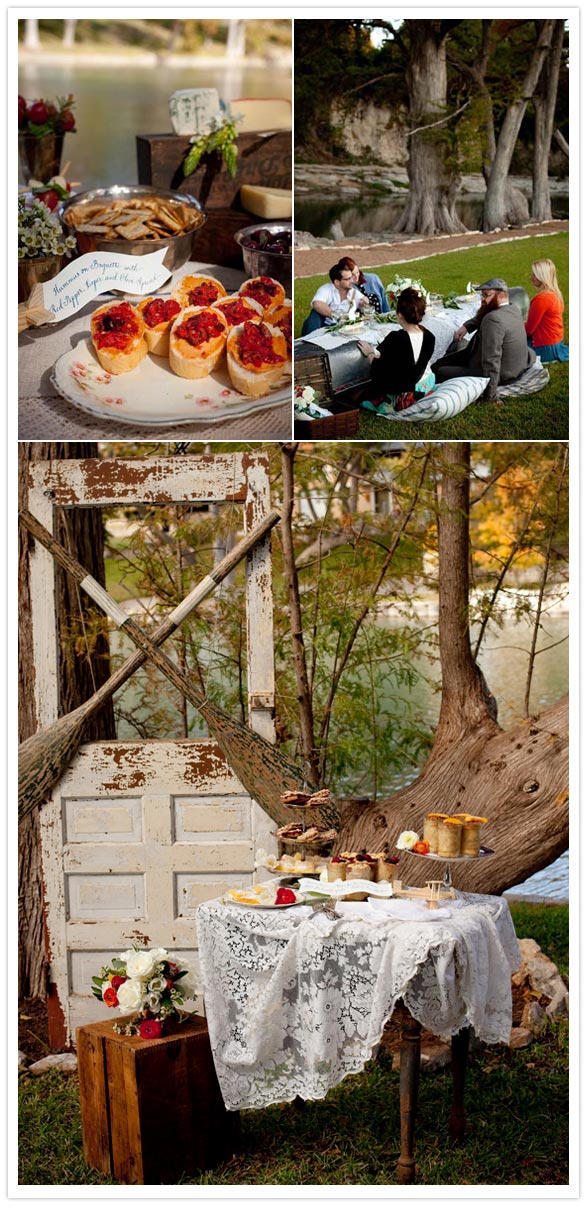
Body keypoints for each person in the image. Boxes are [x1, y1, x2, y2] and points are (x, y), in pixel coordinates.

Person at [432, 277, 536, 401]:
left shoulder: (492, 319)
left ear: (500, 295)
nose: (482, 299)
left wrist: (490, 396)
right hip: (515, 368)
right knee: (448, 358)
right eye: (482, 295)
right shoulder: (512, 309)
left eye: (486, 295)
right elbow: (485, 314)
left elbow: (491, 359)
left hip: (498, 374)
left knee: (439, 369)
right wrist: (467, 326)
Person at [357, 287, 435, 404]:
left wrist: (370, 353)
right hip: (426, 384)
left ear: (399, 315)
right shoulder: (429, 336)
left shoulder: (396, 338)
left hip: (402, 395)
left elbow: (380, 371)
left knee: (358, 397)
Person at [301, 263, 368, 335]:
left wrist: (364, 304)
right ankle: (311, 338)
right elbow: (317, 304)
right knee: (315, 313)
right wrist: (337, 316)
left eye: (351, 277)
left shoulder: (354, 293)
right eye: (348, 279)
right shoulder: (327, 289)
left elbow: (367, 304)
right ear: (337, 282)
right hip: (322, 325)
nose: (352, 281)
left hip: (342, 328)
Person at [525, 259, 569, 362]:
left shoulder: (542, 299)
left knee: (510, 343)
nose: (532, 277)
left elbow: (529, 330)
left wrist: (515, 325)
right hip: (556, 344)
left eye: (535, 274)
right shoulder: (554, 295)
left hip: (545, 348)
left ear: (543, 276)